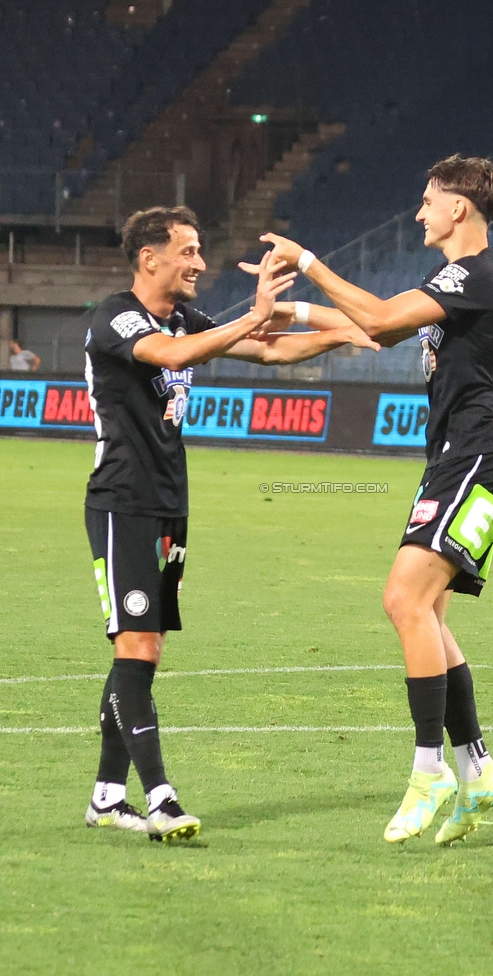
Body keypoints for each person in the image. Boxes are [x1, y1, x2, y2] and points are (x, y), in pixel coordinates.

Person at [83, 205, 377, 842]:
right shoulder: (118, 316)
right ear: (149, 258)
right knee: (135, 646)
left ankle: (107, 796)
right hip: (121, 505)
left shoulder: (183, 315)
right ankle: (159, 798)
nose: (199, 262)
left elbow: (266, 351)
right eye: (187, 251)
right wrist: (255, 312)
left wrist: (346, 330)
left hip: (169, 505)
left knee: (144, 651)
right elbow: (175, 353)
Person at [253, 155, 493, 845]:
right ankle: (478, 766)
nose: (419, 212)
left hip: (478, 457)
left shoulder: (476, 275)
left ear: (459, 208)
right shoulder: (459, 282)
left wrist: (307, 260)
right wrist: (284, 311)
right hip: (460, 461)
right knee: (426, 613)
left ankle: (429, 768)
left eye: (429, 200)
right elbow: (372, 328)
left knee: (403, 599)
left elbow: (376, 316)